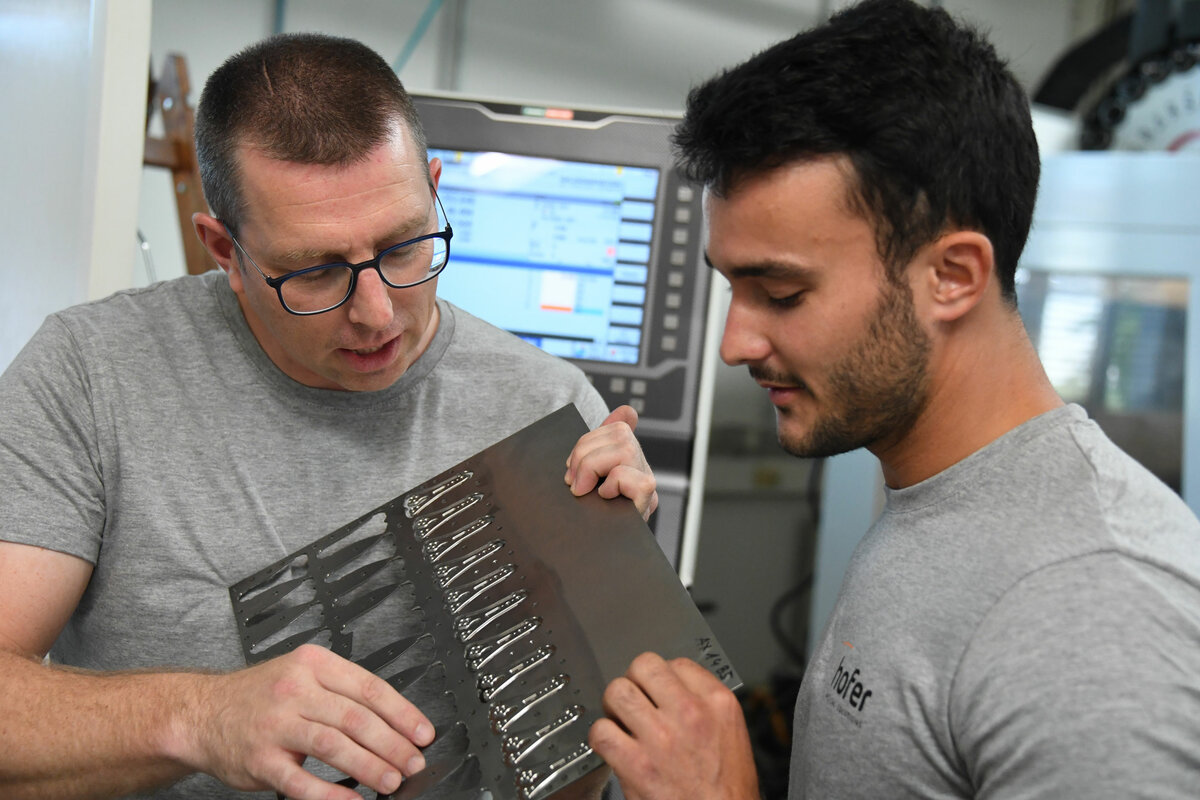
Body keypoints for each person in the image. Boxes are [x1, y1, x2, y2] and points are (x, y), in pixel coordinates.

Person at [0, 33, 655, 800]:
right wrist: (200, 718)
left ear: (435, 192)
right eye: (315, 270)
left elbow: (579, 773)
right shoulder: (91, 376)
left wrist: (603, 584)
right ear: (224, 251)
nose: (377, 314)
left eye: (404, 247)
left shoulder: (546, 407)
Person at [588, 1, 1200, 798]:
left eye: (781, 292)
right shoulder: (931, 494)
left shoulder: (1092, 613)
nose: (735, 344)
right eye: (734, 287)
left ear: (952, 276)